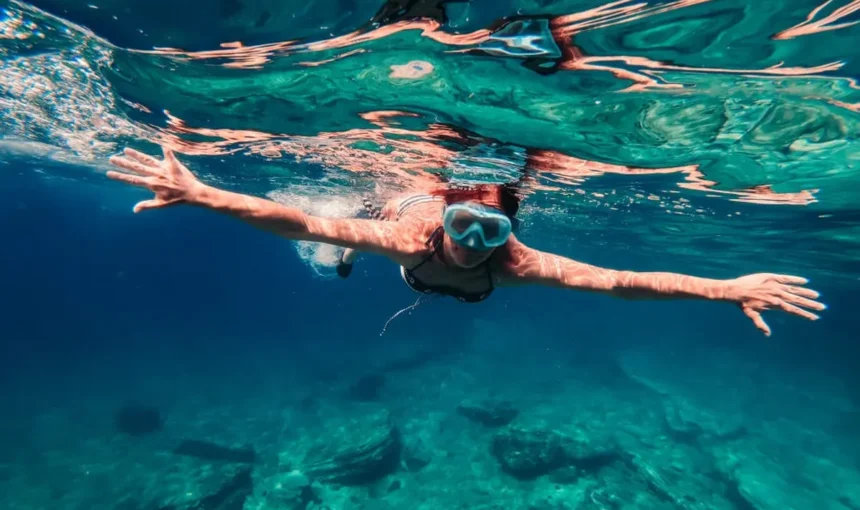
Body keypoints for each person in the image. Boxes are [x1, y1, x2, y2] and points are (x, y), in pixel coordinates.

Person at [107, 145, 825, 337]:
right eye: (466, 224)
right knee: (344, 236)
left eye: (493, 229)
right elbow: (298, 222)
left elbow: (616, 280)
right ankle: (354, 255)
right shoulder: (412, 236)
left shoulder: (513, 265)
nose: (477, 240)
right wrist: (204, 195)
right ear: (445, 219)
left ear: (512, 229)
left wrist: (723, 289)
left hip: (438, 282)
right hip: (398, 254)